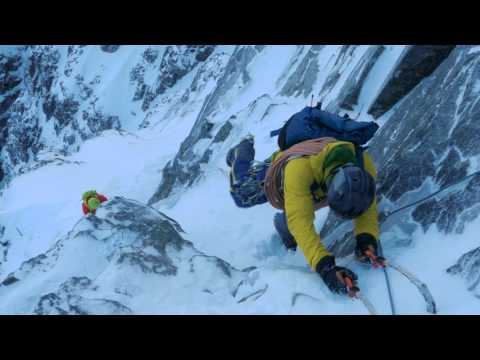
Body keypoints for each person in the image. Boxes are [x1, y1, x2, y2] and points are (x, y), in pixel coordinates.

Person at [226, 130, 379, 296]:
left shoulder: (363, 164)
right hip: (285, 173)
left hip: (312, 186)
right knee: (241, 194)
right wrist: (325, 266)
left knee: (296, 211)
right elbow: (300, 221)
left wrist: (367, 238)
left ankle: (284, 226)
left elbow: (368, 206)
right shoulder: (298, 170)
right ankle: (242, 150)